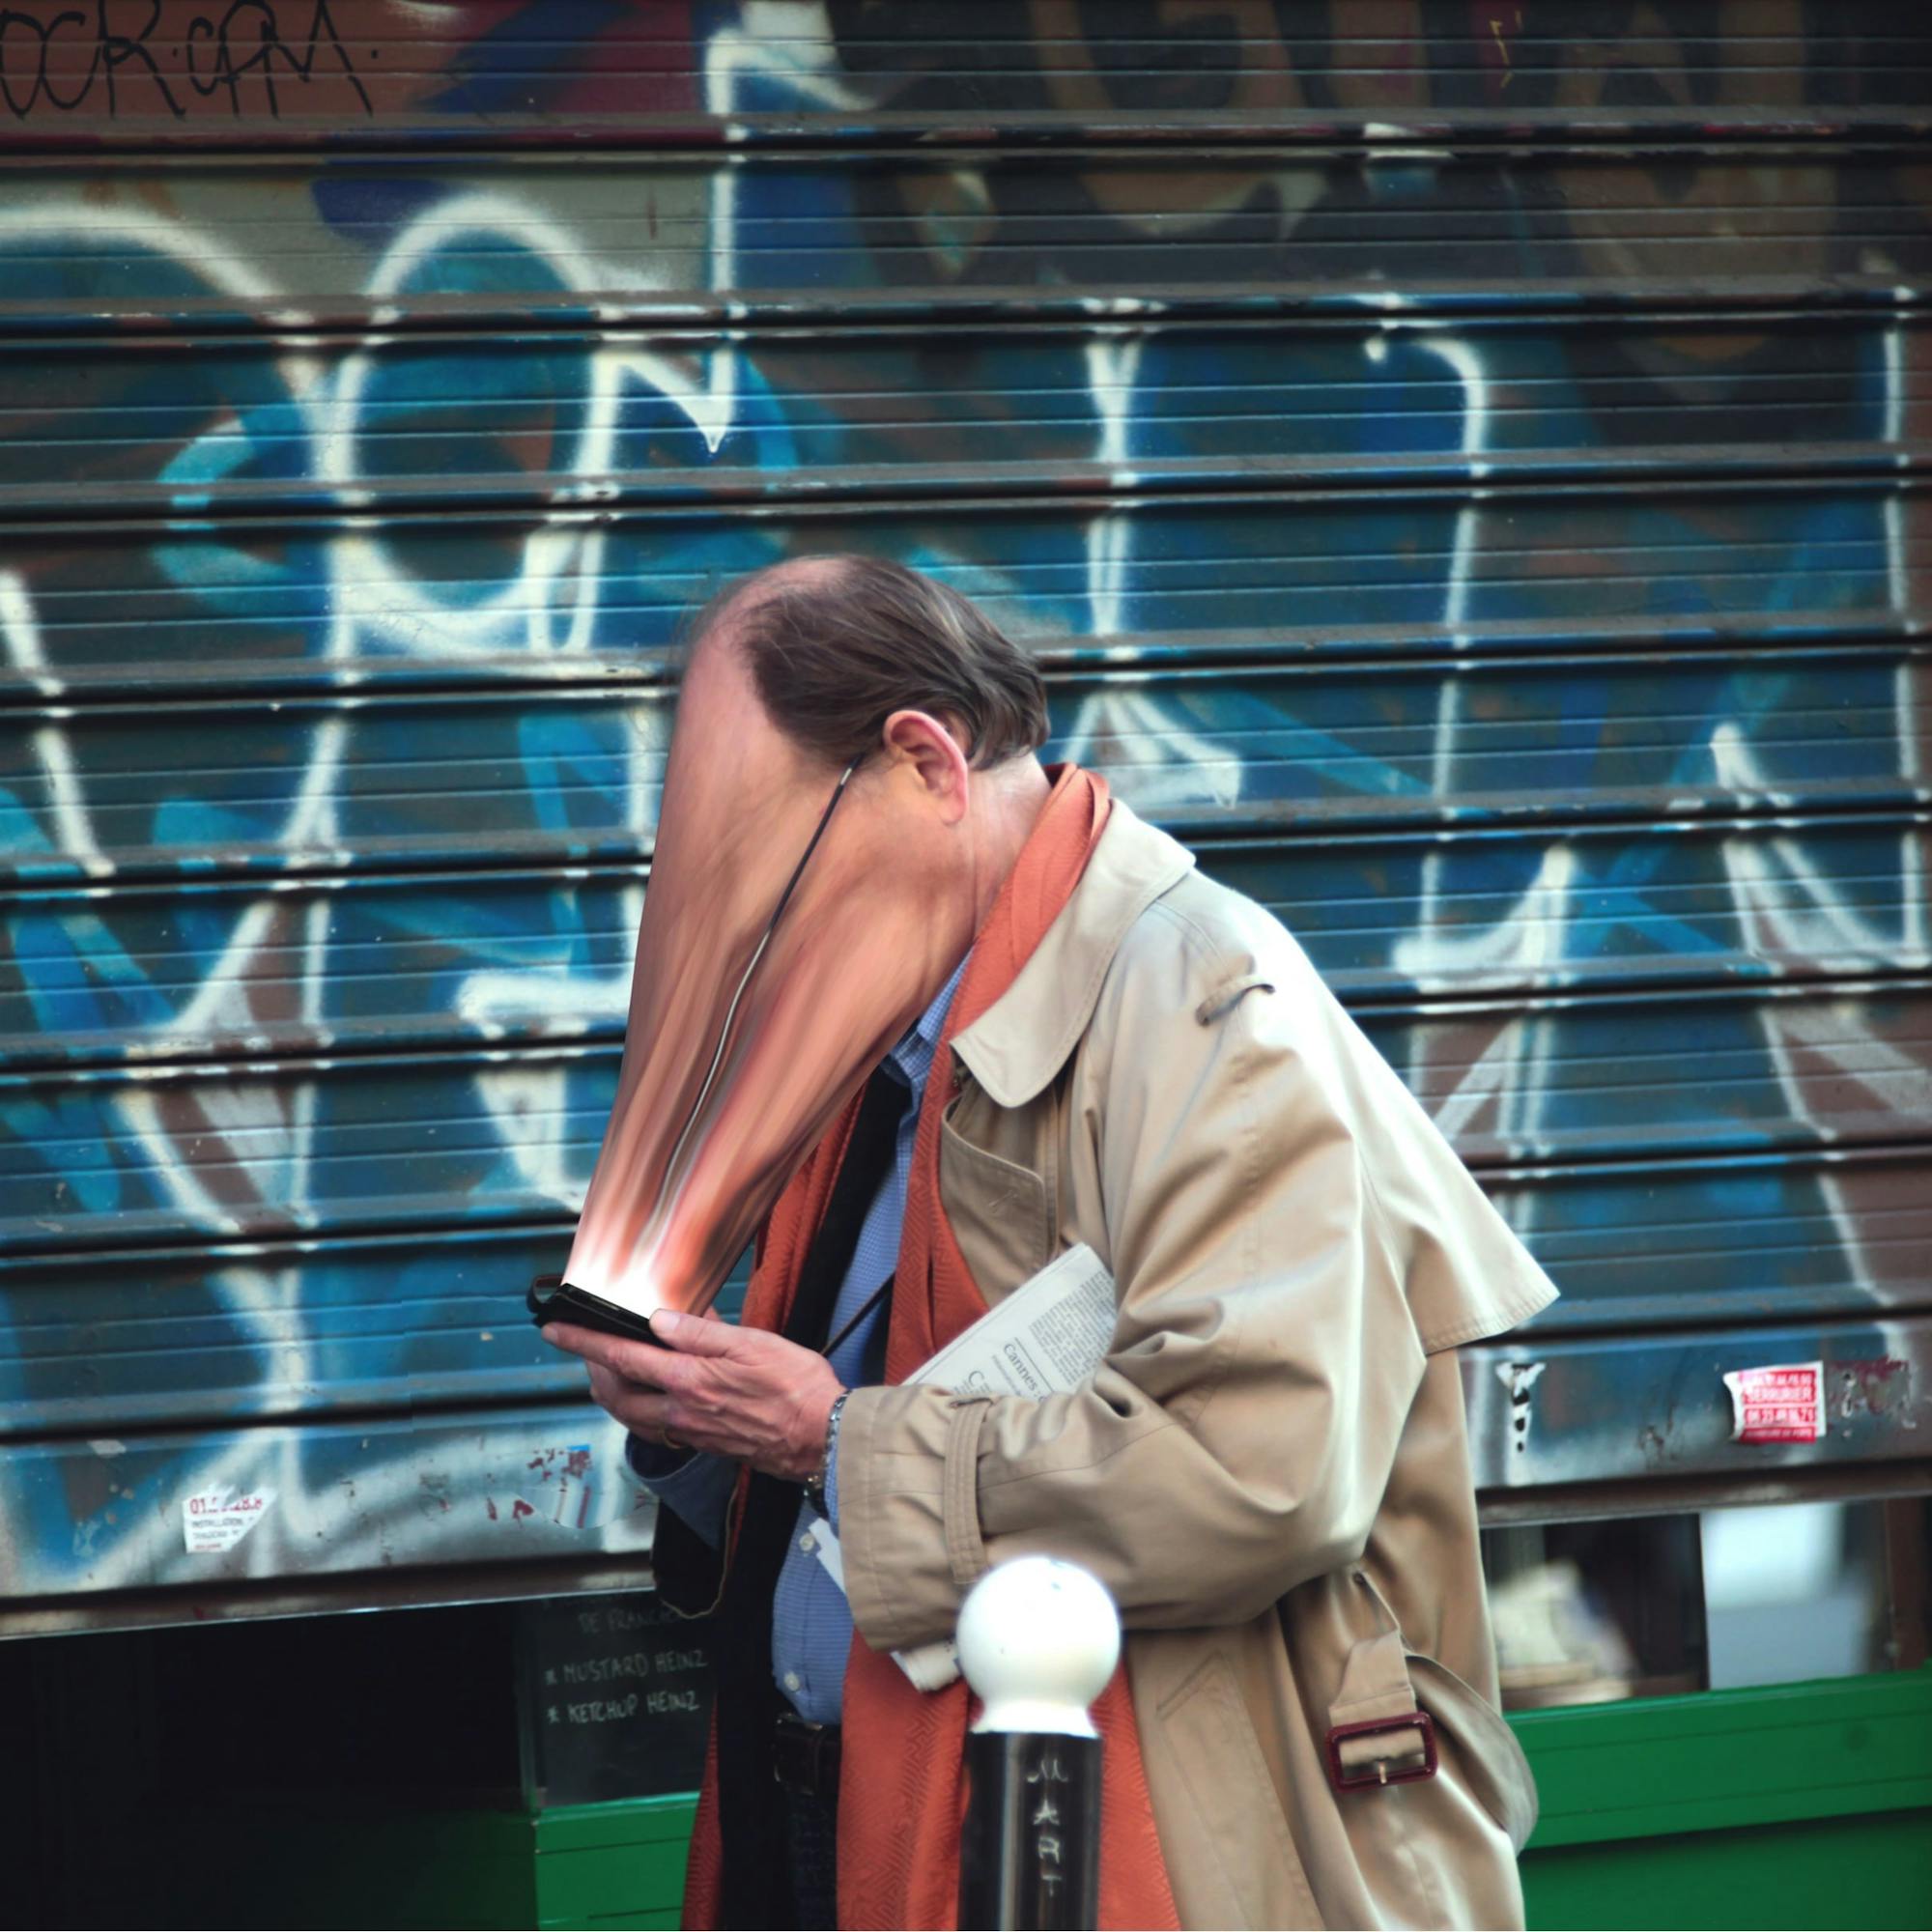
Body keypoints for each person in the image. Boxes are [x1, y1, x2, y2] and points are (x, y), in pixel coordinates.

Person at [542, 554, 1557, 1931]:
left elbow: (1260, 1470)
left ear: (924, 762)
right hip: (838, 1823)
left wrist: (830, 1441)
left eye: (776, 868)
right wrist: (700, 1420)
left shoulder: (1208, 1001)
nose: (761, 934)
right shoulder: (880, 1041)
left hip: (1128, 1855)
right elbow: (838, 1479)